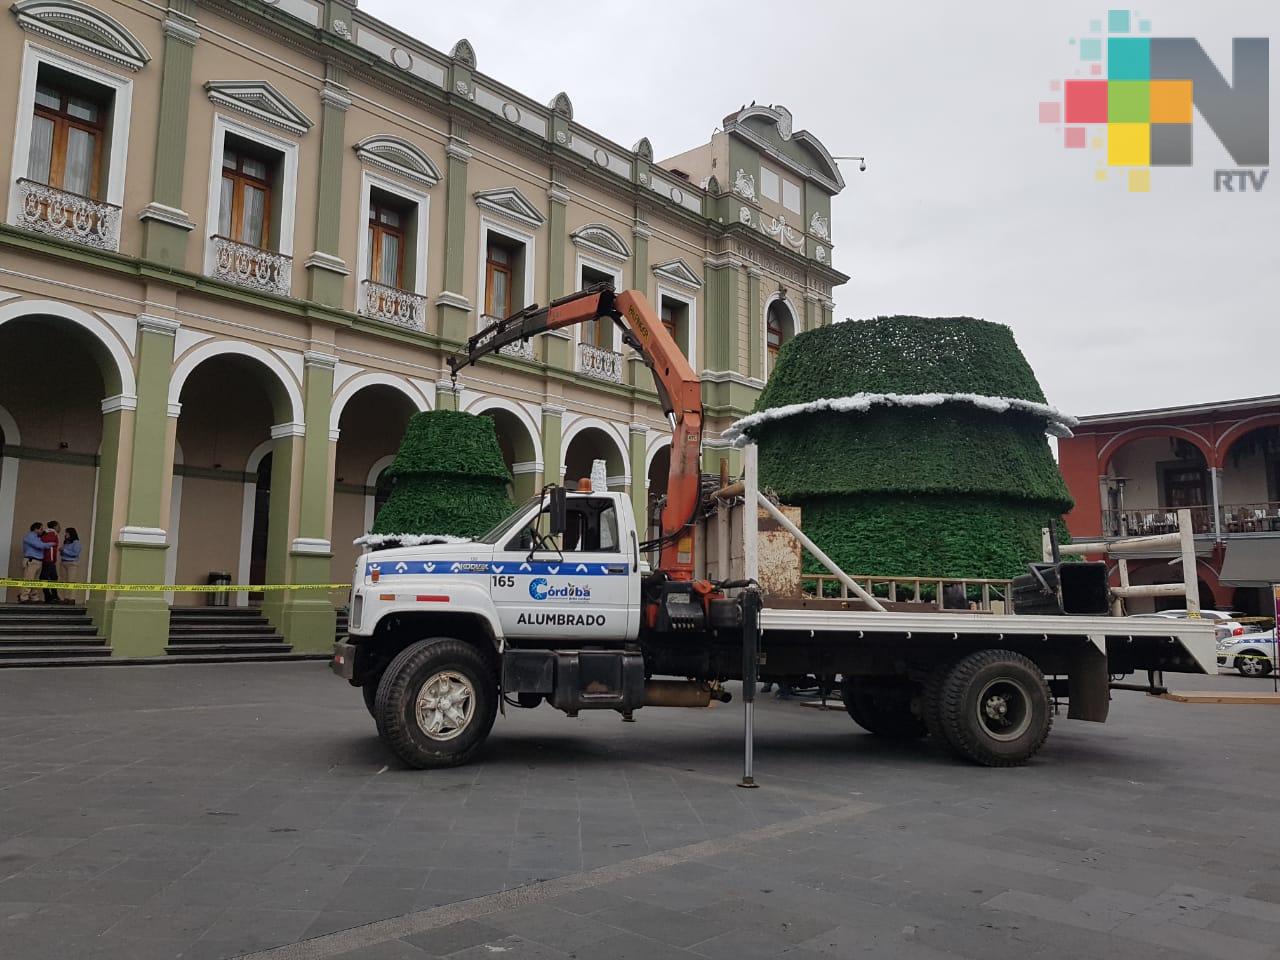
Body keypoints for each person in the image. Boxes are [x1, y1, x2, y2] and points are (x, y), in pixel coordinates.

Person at [17, 521, 44, 603]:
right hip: (31, 560)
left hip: (38, 561)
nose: (42, 531)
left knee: (35, 581)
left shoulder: (38, 538)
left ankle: (34, 597)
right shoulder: (30, 536)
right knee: (28, 579)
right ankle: (23, 597)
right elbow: (38, 546)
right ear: (36, 529)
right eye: (41, 529)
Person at [39, 520, 60, 604]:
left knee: (52, 577)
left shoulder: (46, 534)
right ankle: (50, 597)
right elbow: (50, 548)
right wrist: (52, 559)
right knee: (47, 578)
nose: (60, 528)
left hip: (48, 560)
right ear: (54, 527)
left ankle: (53, 596)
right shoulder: (51, 534)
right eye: (58, 526)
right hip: (48, 560)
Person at [59, 527, 82, 604]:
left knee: (71, 581)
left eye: (67, 533)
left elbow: (75, 553)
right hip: (63, 562)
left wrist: (64, 550)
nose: (65, 534)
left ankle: (72, 598)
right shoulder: (66, 542)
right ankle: (65, 597)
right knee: (64, 581)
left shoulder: (76, 543)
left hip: (72, 563)